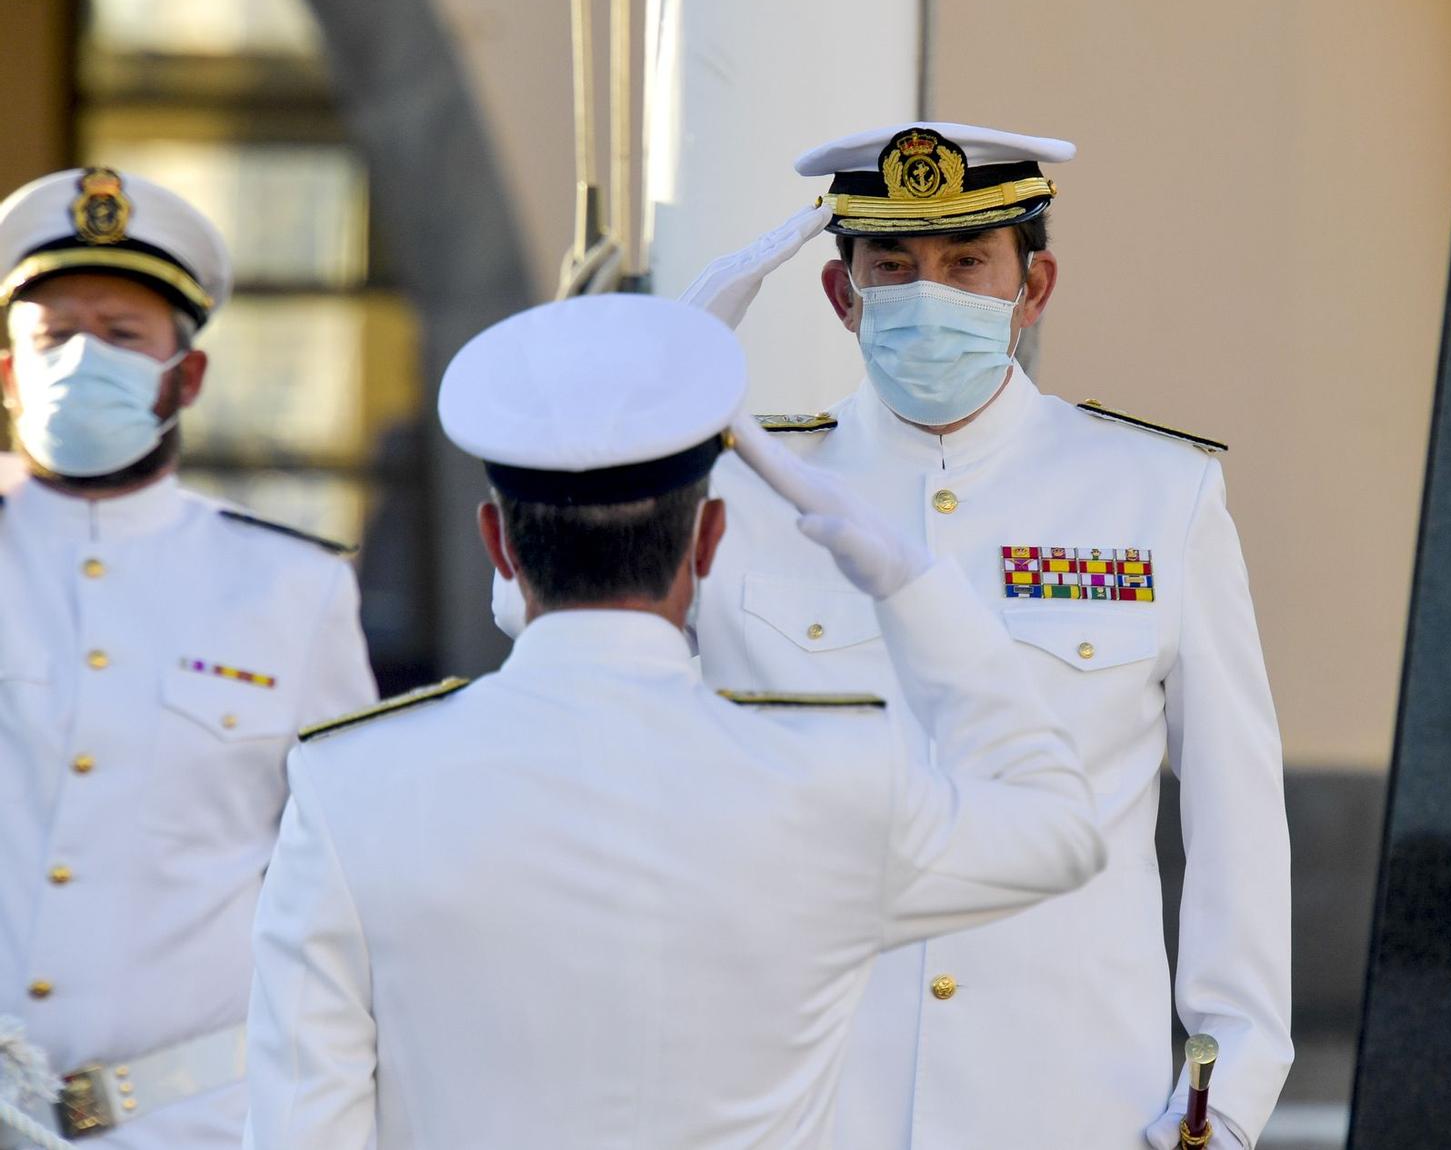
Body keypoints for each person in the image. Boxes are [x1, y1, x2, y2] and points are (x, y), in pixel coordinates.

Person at [241, 294, 1105, 1150]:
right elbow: (1059, 827)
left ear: (499, 543)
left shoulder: (352, 784)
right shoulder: (833, 779)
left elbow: (299, 1127)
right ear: (710, 539)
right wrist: (914, 586)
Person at [681, 123, 1294, 1149]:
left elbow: (1238, 818)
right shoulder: (741, 493)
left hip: (1068, 1099)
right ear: (842, 297)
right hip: (812, 1104)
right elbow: (545, 618)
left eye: (966, 263)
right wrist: (661, 408)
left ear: (1032, 286)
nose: (931, 294)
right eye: (893, 266)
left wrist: (1219, 1104)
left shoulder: (1152, 493)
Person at [0, 167, 376, 1147]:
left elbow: (349, 871)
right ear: (8, 372)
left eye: (122, 337)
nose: (83, 360)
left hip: (195, 1118)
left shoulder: (292, 587)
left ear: (188, 376)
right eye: (52, 337)